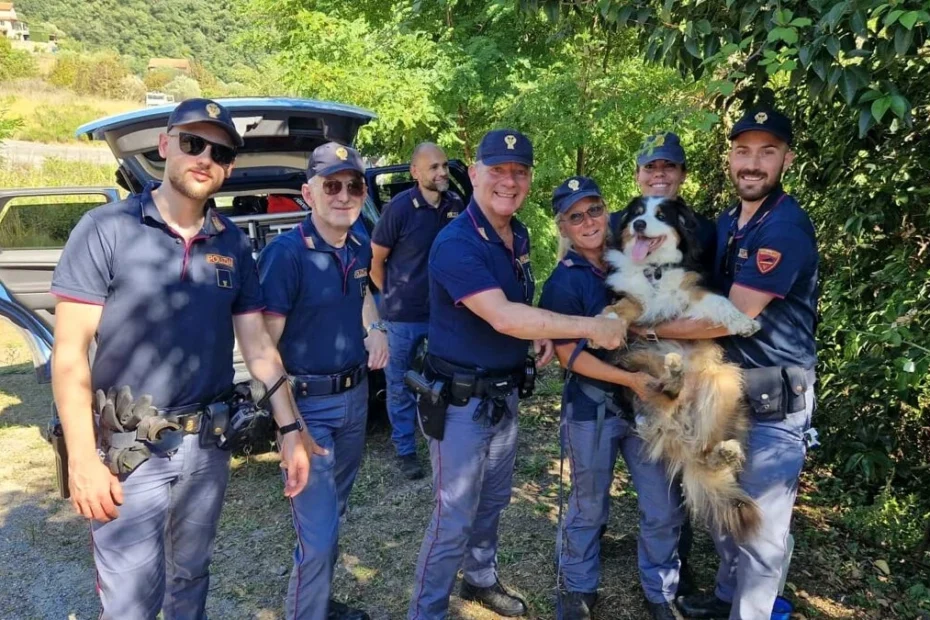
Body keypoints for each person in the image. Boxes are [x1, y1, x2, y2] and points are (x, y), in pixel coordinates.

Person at [50, 98, 317, 619]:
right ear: (166, 145)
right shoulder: (106, 229)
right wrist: (82, 459)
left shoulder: (233, 244)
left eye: (219, 152)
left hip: (208, 449)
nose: (205, 158)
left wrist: (291, 431)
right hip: (129, 452)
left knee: (191, 576)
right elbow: (69, 356)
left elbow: (258, 348)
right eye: (193, 143)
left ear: (229, 168)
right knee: (130, 602)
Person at [407, 129, 627, 620]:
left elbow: (517, 307)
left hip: (504, 395)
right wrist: (592, 326)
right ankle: (426, 612)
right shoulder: (455, 243)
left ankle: (480, 578)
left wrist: (538, 332)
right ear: (476, 170)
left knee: (493, 501)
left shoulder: (518, 233)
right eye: (498, 170)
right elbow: (502, 315)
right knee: (452, 518)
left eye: (519, 172)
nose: (509, 181)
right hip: (461, 404)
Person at [639, 109, 818, 620]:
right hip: (724, 396)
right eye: (743, 151)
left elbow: (732, 317)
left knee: (760, 533)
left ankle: (749, 612)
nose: (753, 163)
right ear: (730, 157)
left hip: (774, 403)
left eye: (767, 152)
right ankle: (724, 600)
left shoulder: (783, 227)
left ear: (785, 157)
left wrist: (645, 329)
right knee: (723, 512)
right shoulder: (726, 223)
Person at [540, 176, 687, 620]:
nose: (588, 221)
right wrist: (629, 382)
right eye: (575, 216)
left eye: (594, 210)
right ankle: (578, 587)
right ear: (563, 227)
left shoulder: (636, 257)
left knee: (663, 505)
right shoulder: (563, 282)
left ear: (608, 213)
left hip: (649, 406)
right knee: (589, 506)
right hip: (594, 409)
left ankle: (661, 590)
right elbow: (569, 358)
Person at [258, 142, 389, 620]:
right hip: (308, 407)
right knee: (317, 537)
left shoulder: (357, 244)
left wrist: (373, 328)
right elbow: (263, 349)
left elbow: (361, 295)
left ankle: (318, 604)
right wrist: (288, 425)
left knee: (334, 516)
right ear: (307, 193)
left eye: (354, 185)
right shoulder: (284, 255)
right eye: (331, 185)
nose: (344, 195)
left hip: (355, 400)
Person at [370, 142, 463, 480]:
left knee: (446, 379)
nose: (441, 173)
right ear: (415, 172)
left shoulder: (455, 204)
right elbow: (375, 261)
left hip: (443, 314)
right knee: (399, 384)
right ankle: (406, 450)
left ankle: (447, 440)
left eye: (444, 166)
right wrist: (392, 296)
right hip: (403, 316)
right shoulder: (399, 209)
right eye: (433, 168)